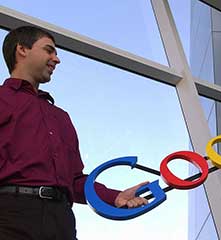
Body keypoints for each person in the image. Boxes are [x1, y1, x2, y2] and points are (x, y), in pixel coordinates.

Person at [0, 26, 148, 240]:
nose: (56, 59)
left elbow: (75, 180)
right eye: (49, 50)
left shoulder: (61, 117)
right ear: (22, 50)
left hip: (62, 220)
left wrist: (115, 196)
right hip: (10, 216)